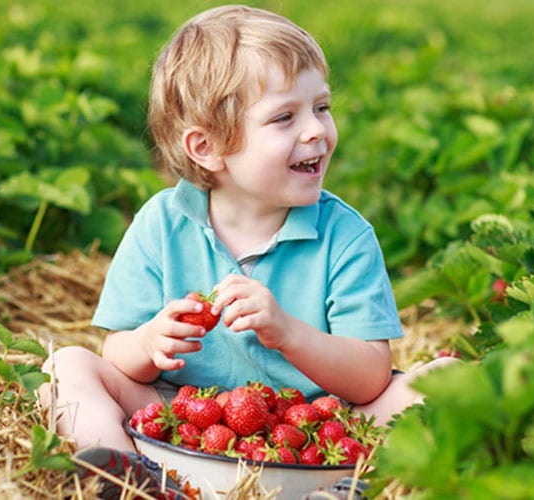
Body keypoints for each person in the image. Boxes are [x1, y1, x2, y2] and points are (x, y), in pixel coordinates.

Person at [39, 4, 452, 498]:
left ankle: (348, 486)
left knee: (442, 382)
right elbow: (117, 350)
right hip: (179, 417)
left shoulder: (345, 234)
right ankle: (125, 475)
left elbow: (370, 378)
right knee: (68, 366)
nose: (317, 130)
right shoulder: (161, 224)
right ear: (207, 148)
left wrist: (288, 333)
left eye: (321, 106)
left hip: (317, 431)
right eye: (284, 116)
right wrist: (150, 343)